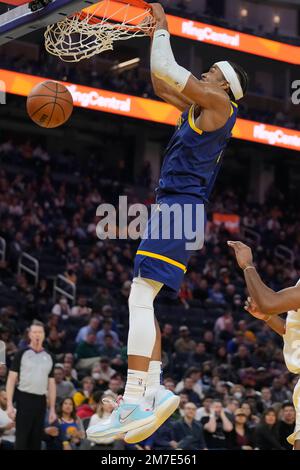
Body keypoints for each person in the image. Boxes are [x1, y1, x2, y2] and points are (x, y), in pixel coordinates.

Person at [87, 1, 248, 444]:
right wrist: (154, 37)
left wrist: (161, 25)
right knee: (144, 298)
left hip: (180, 208)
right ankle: (152, 387)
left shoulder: (218, 103)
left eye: (211, 71)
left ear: (222, 83)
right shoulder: (204, 108)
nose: (205, 75)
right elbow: (161, 81)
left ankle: (137, 395)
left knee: (139, 297)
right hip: (176, 208)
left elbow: (166, 63)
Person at [6, 320, 57, 449]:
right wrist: (9, 404)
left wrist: (52, 409)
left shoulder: (50, 356)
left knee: (36, 440)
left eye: (40, 332)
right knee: (22, 439)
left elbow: (51, 384)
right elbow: (11, 379)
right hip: (24, 398)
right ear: (29, 334)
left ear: (44, 335)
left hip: (41, 401)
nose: (37, 335)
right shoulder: (21, 353)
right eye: (34, 332)